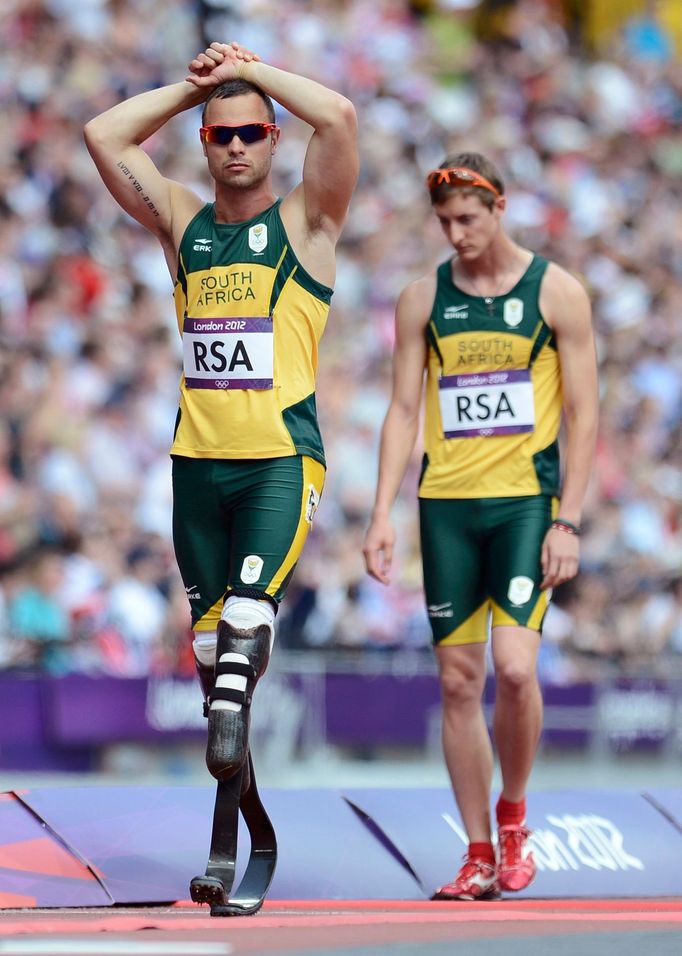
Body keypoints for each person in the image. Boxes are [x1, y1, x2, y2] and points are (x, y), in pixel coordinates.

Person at [84, 38, 357, 900]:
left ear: (274, 139)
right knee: (216, 677)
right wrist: (193, 91)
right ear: (204, 145)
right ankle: (234, 842)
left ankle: (236, 733)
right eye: (220, 135)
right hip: (195, 467)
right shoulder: (181, 224)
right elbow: (103, 135)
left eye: (250, 133)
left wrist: (251, 73)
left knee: (245, 620)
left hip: (278, 461)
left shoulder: (309, 224)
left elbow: (341, 118)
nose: (235, 146)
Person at [363, 153, 598, 900]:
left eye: (469, 218)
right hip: (448, 508)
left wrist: (571, 520)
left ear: (499, 209)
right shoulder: (420, 299)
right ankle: (476, 851)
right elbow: (403, 410)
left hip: (525, 503)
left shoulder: (557, 292)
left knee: (517, 669)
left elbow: (586, 413)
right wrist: (381, 513)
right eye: (445, 223)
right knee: (459, 682)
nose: (457, 234)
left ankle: (515, 815)